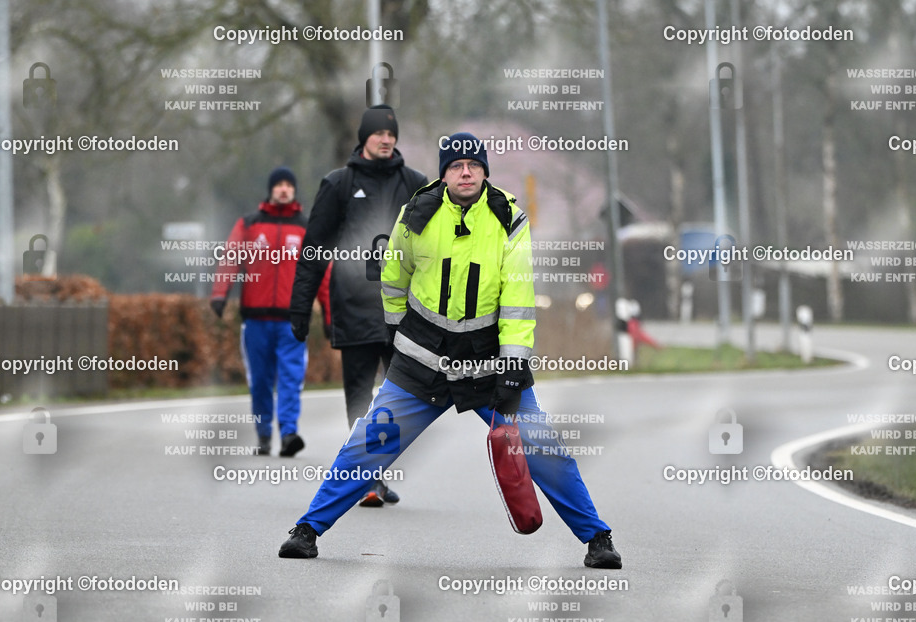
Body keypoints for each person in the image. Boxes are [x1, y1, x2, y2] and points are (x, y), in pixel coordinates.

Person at [278, 133, 622, 569]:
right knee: (368, 444)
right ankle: (306, 531)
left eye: (473, 165)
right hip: (422, 362)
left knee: (543, 448)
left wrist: (515, 364)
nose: (465, 171)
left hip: (490, 365)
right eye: (456, 165)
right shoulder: (417, 213)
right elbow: (392, 276)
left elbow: (518, 296)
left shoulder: (508, 218)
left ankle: (597, 538)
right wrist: (397, 330)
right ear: (443, 173)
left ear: (484, 171)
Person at [290, 104, 427, 506]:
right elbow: (314, 249)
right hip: (354, 307)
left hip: (406, 313)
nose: (386, 140)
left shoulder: (416, 184)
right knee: (359, 398)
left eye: (392, 134)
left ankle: (375, 474)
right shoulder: (339, 184)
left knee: (400, 399)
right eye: (379, 133)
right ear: (364, 138)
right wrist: (301, 307)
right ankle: (365, 482)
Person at [211, 166, 328, 457]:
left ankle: (288, 433)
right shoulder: (250, 225)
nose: (284, 189)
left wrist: (330, 312)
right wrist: (219, 293)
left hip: (292, 322)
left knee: (291, 378)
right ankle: (264, 434)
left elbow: (322, 273)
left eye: (289, 184)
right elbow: (230, 257)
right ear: (271, 189)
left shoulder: (306, 228)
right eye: (279, 185)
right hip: (256, 320)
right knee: (260, 379)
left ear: (295, 190)